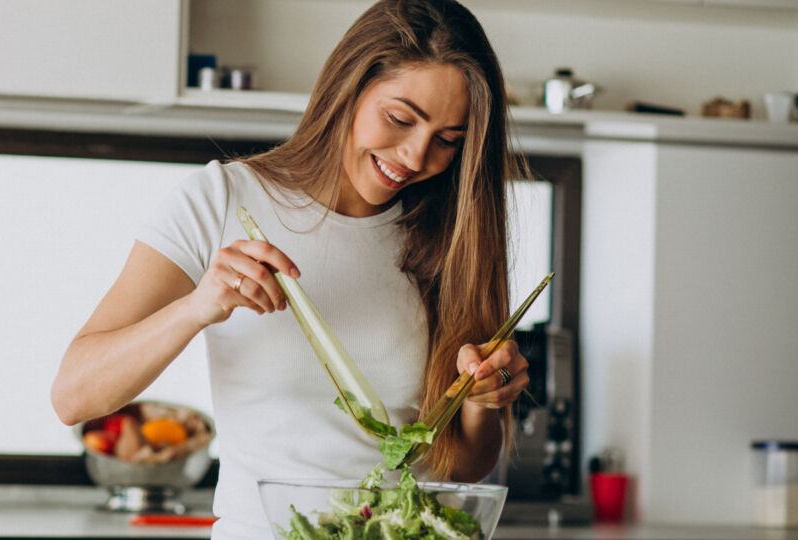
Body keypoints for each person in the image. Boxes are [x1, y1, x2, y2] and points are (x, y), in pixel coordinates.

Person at [51, 0, 531, 537]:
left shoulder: (451, 236)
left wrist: (482, 401)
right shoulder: (222, 200)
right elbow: (75, 396)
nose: (417, 157)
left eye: (448, 140)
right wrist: (197, 307)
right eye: (400, 119)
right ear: (348, 88)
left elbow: (462, 467)